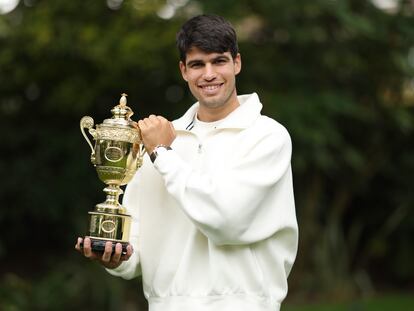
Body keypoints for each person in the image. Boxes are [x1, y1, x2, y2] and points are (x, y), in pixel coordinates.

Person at [76, 14, 298, 311]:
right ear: (183, 70)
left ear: (237, 63)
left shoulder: (267, 136)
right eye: (197, 64)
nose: (209, 74)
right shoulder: (161, 140)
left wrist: (163, 154)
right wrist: (117, 257)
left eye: (219, 61)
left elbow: (226, 222)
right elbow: (137, 240)